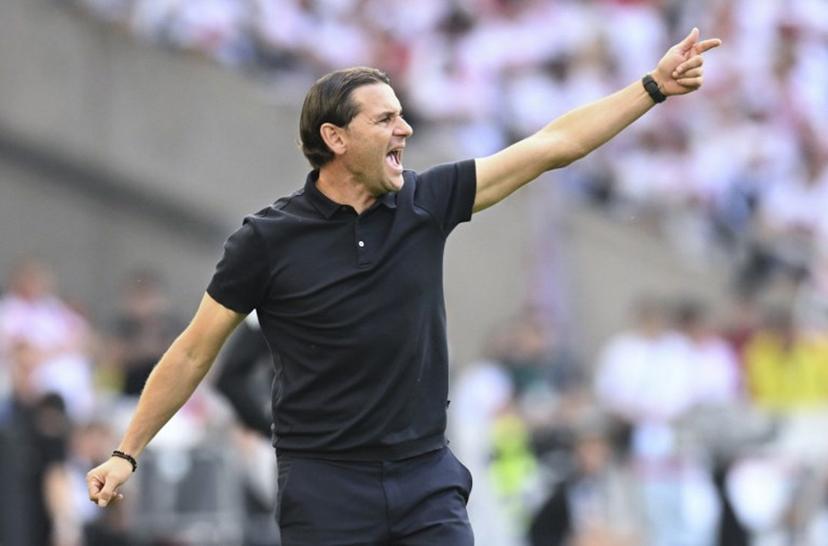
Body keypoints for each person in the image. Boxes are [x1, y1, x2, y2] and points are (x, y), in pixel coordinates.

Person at [87, 27, 721, 545]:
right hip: (324, 487)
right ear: (335, 139)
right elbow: (194, 349)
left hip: (426, 478)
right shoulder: (266, 240)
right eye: (386, 119)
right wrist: (127, 452)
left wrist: (651, 88)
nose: (405, 130)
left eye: (403, 115)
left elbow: (551, 146)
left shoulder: (426, 200)